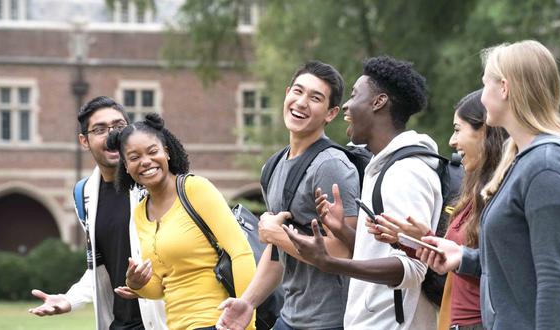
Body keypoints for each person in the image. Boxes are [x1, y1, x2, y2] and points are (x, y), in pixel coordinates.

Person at [418, 40, 560, 329]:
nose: (482, 96)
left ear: (504, 88)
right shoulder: (524, 161)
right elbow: (519, 268)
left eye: (484, 84)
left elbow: (554, 280)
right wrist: (462, 257)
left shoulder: (546, 165)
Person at [283, 56, 442, 329]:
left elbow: (414, 268)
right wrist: (342, 230)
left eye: (355, 95)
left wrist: (330, 263)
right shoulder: (380, 166)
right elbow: (384, 253)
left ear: (378, 102)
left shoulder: (405, 173)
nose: (346, 105)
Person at [216, 61, 360, 330]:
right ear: (287, 94)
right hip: (290, 317)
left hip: (332, 322)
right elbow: (276, 251)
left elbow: (345, 252)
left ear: (331, 114)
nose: (302, 102)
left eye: (315, 98)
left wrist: (277, 234)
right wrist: (248, 302)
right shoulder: (273, 166)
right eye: (298, 91)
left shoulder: (330, 166)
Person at [106, 112, 256, 330]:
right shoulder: (140, 212)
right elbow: (159, 286)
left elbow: (241, 253)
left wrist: (246, 322)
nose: (146, 161)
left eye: (152, 151)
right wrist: (136, 284)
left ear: (166, 152)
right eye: (134, 157)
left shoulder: (195, 189)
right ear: (126, 167)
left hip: (218, 321)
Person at [372, 89, 508, 330]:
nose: (452, 142)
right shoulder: (473, 193)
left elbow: (503, 268)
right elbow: (456, 262)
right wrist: (418, 242)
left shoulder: (502, 194)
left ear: (485, 130)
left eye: (458, 130)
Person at [28, 96, 166, 330]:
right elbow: (100, 270)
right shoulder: (84, 194)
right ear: (84, 141)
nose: (112, 135)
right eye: (100, 129)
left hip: (165, 321)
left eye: (119, 127)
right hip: (119, 324)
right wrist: (69, 299)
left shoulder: (155, 184)